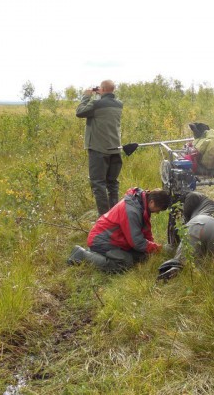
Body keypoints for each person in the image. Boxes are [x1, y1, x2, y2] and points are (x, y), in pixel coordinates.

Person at [67, 188, 171, 273]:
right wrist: (157, 249)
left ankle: (95, 254)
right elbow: (137, 243)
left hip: (115, 240)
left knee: (142, 256)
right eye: (159, 209)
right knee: (126, 262)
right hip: (101, 240)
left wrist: (152, 247)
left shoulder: (141, 203)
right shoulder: (133, 211)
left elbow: (145, 231)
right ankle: (82, 255)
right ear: (152, 202)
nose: (157, 213)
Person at [76, 80, 124, 215]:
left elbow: (79, 112)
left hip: (99, 149)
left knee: (98, 184)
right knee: (112, 184)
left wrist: (86, 96)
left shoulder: (96, 104)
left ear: (102, 89)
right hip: (115, 149)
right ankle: (115, 216)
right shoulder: (119, 104)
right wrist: (99, 95)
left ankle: (104, 219)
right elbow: (102, 109)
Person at [157, 191, 214, 281]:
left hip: (200, 222)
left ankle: (173, 274)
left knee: (183, 262)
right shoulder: (212, 205)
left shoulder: (192, 196)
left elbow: (183, 225)